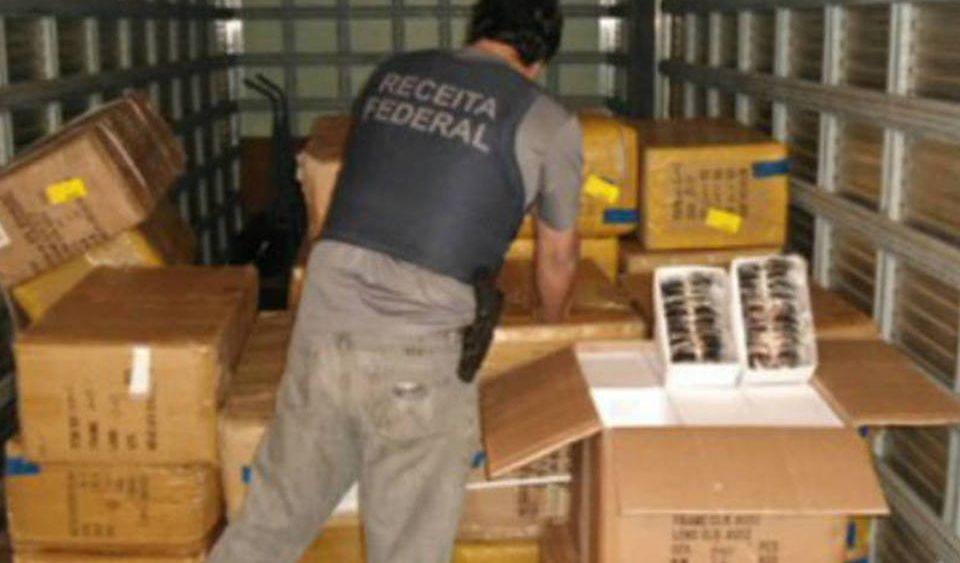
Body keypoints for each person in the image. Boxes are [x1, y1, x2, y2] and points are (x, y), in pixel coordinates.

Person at [208, 0, 583, 561]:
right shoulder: (547, 121)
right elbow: (559, 257)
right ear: (541, 60)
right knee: (410, 546)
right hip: (418, 348)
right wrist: (551, 330)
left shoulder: (393, 74)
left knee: (270, 523)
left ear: (477, 28)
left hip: (324, 323)